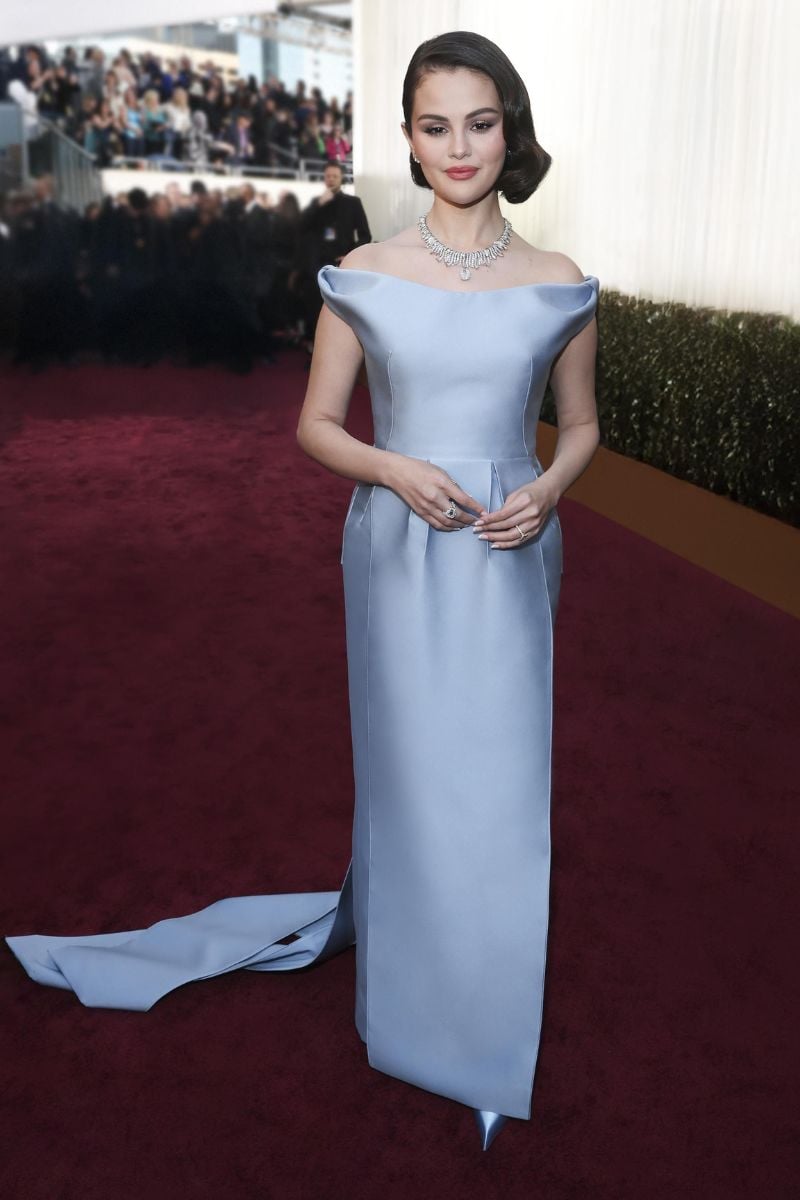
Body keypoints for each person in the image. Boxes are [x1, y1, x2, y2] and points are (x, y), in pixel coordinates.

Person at [4, 31, 600, 1154]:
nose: (459, 147)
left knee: (501, 782)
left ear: (509, 131)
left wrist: (551, 487)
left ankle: (483, 1017)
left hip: (514, 544)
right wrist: (393, 469)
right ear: (408, 139)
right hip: (398, 543)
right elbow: (316, 426)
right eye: (435, 126)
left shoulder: (559, 280)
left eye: (479, 125)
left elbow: (580, 426)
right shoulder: (364, 271)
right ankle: (422, 1020)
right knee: (414, 775)